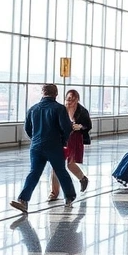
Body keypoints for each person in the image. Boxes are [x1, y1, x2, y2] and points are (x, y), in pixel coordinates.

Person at [10, 84, 76, 213]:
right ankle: (69, 196)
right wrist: (63, 140)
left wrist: (35, 138)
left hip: (36, 146)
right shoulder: (59, 109)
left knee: (34, 172)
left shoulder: (33, 108)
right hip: (54, 146)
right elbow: (66, 127)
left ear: (42, 93)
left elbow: (28, 128)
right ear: (56, 94)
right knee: (60, 171)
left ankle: (23, 200)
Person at [48, 89, 92, 201]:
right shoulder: (61, 109)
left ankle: (82, 179)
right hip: (61, 138)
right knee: (56, 165)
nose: (69, 102)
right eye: (68, 99)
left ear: (77, 100)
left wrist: (80, 126)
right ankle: (54, 193)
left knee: (70, 164)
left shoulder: (82, 111)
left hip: (74, 138)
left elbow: (88, 125)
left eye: (72, 100)